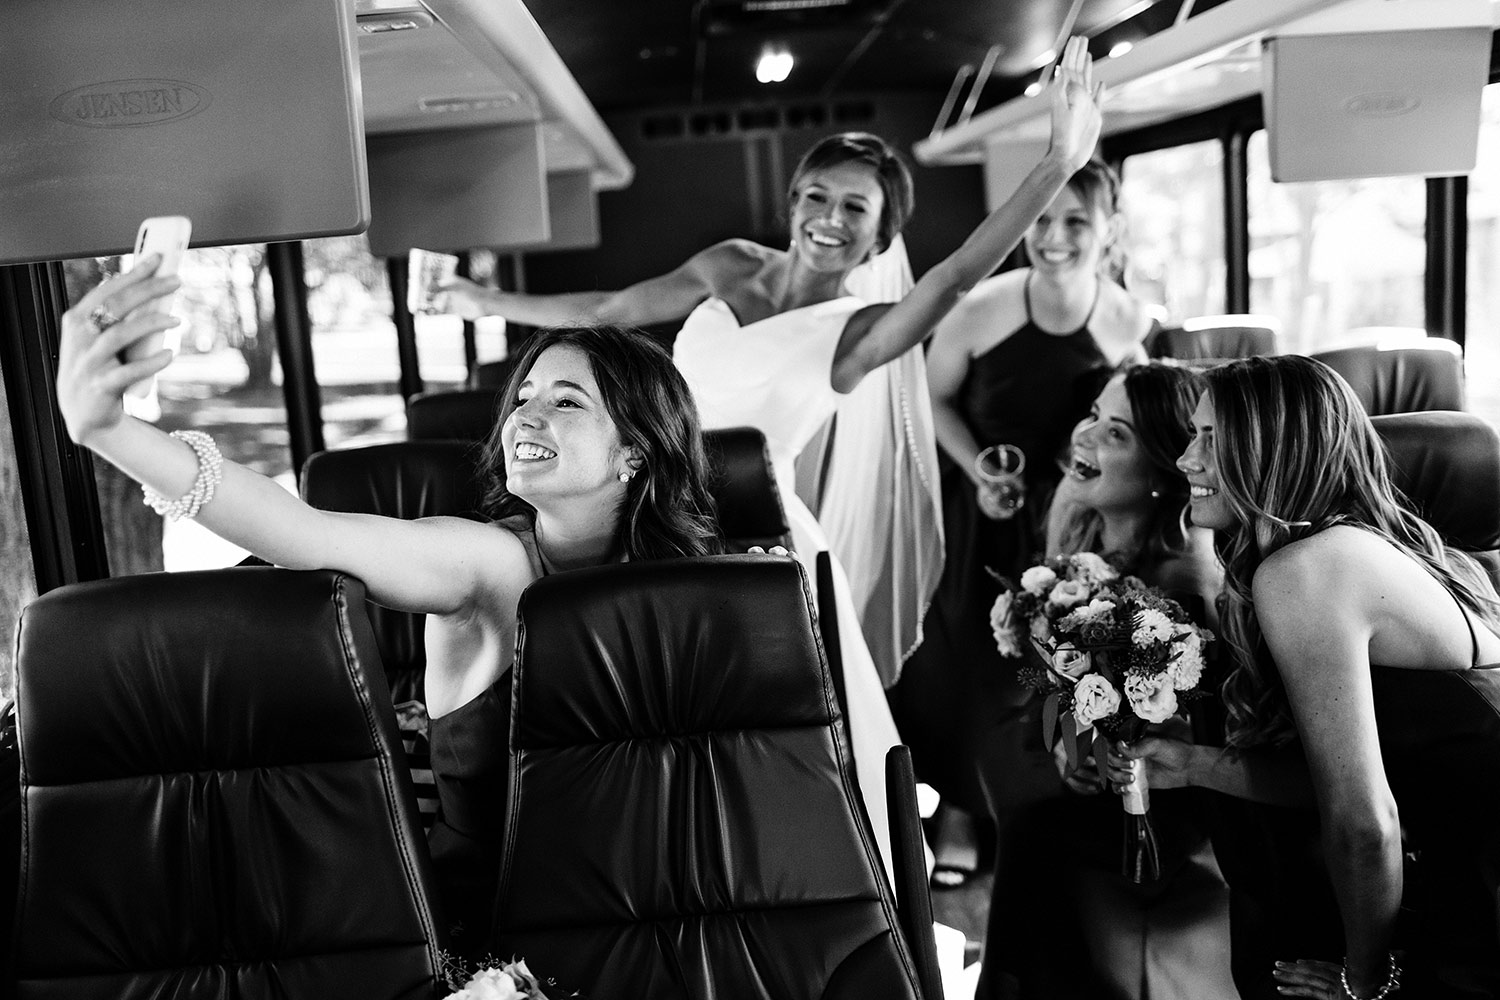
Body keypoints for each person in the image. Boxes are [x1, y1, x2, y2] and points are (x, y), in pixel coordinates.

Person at [435, 38, 1107, 877]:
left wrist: (1057, 162)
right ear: (792, 203)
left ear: (880, 238)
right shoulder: (730, 265)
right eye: (817, 196)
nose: (830, 217)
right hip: (648, 512)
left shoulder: (860, 333)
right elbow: (609, 309)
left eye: (856, 209)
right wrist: (482, 299)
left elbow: (954, 280)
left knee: (772, 737)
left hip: (760, 537)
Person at [54, 268, 723, 959]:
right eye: (523, 397)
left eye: (566, 401)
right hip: (493, 932)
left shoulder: (698, 587)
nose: (523, 416)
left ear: (635, 450)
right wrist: (111, 430)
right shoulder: (491, 567)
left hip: (668, 913)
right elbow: (305, 533)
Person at [1114, 354, 1500, 999]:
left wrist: (1366, 980)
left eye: (1212, 438)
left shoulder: (1307, 572)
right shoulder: (1346, 545)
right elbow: (1345, 776)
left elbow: (1363, 820)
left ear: (1274, 452)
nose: (1185, 460)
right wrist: (1191, 764)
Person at [897, 156, 1158, 889]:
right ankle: (957, 813)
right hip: (983, 509)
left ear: (1110, 230)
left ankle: (1038, 808)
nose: (1054, 237)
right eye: (1042, 219)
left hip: (1073, 523)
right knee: (968, 665)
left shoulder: (1131, 321)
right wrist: (980, 470)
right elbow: (930, 399)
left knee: (1061, 661)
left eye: (1076, 221)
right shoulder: (978, 308)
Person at [975, 362, 1235, 1000]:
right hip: (1101, 777)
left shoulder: (1180, 587)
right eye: (1093, 415)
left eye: (1116, 433)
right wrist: (1073, 748)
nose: (1084, 435)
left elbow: (1197, 734)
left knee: (1034, 833)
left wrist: (1100, 755)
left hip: (1166, 805)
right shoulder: (1090, 545)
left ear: (1162, 473)